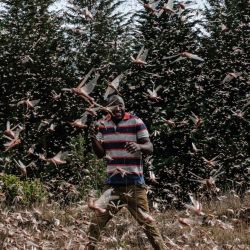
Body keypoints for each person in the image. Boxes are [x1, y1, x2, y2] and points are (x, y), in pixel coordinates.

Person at [87, 95, 165, 250]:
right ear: (107, 108)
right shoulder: (103, 124)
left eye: (121, 105)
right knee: (95, 224)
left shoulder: (136, 122)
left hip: (134, 185)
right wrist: (92, 137)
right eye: (114, 105)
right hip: (112, 187)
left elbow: (150, 147)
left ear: (124, 106)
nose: (118, 108)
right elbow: (100, 154)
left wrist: (139, 147)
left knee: (149, 227)